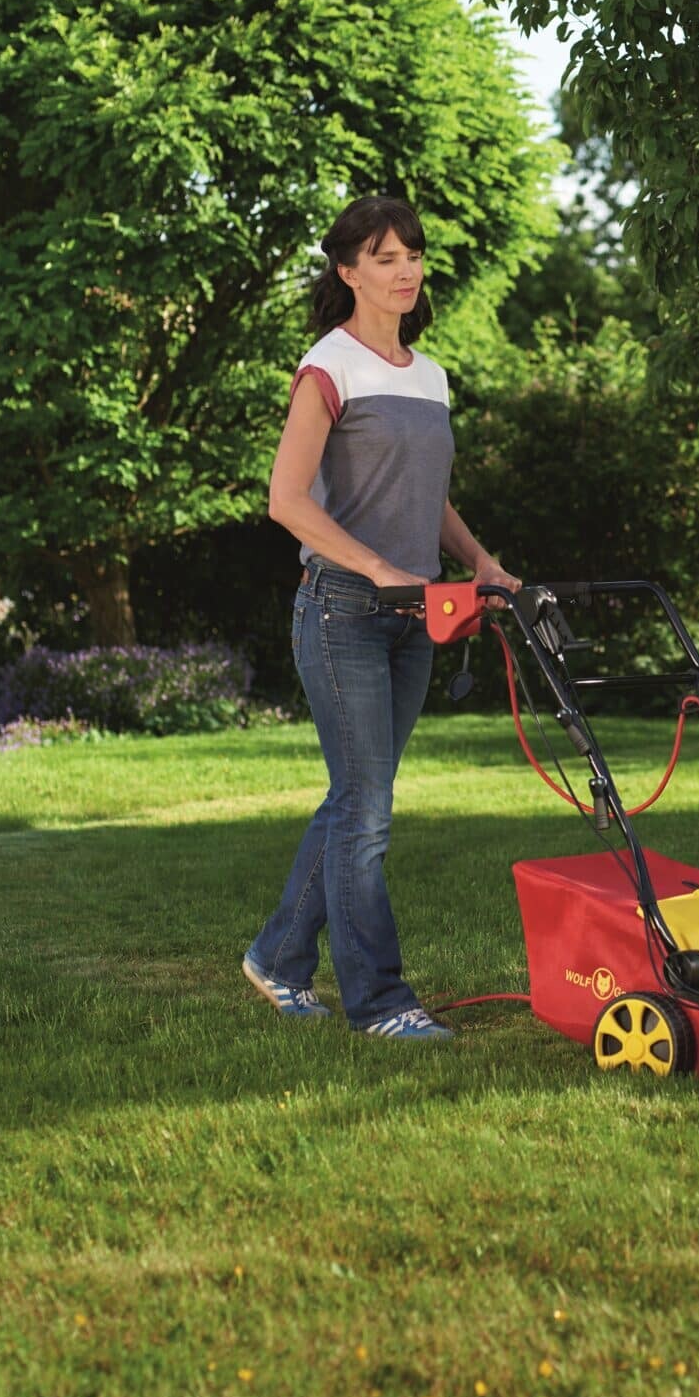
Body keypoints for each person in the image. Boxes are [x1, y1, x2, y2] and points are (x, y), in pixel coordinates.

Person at [242, 195, 519, 1042]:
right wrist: (375, 566)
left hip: (417, 617)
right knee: (366, 809)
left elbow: (425, 498)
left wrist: (479, 560)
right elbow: (285, 500)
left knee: (357, 798)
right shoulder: (328, 366)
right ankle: (382, 1002)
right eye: (384, 257)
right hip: (342, 613)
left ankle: (278, 959)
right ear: (348, 271)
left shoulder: (428, 376)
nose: (404, 270)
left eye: (412, 255)